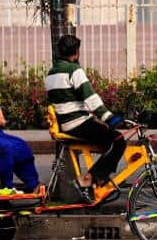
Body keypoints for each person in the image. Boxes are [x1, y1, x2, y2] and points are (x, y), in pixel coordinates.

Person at [45, 34, 130, 189]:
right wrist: (109, 118)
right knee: (118, 140)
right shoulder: (73, 70)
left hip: (66, 122)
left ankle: (102, 176)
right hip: (77, 123)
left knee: (107, 139)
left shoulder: (51, 73)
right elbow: (90, 98)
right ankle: (90, 177)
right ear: (76, 52)